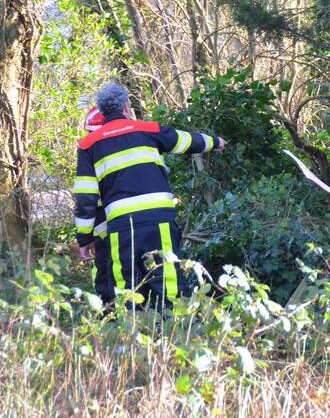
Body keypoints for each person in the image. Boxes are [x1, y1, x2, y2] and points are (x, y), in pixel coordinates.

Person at [73, 84, 227, 309]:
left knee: (127, 286)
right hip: (159, 221)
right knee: (168, 279)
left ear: (102, 112)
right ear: (126, 107)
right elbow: (184, 140)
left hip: (121, 227)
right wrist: (215, 142)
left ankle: (130, 337)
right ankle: (177, 333)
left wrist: (85, 238)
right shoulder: (148, 129)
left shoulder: (88, 145)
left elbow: (85, 197)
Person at [78, 106, 114, 305]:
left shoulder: (92, 150)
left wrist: (85, 237)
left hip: (109, 228)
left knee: (108, 273)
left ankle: (109, 313)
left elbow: (86, 199)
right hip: (109, 226)